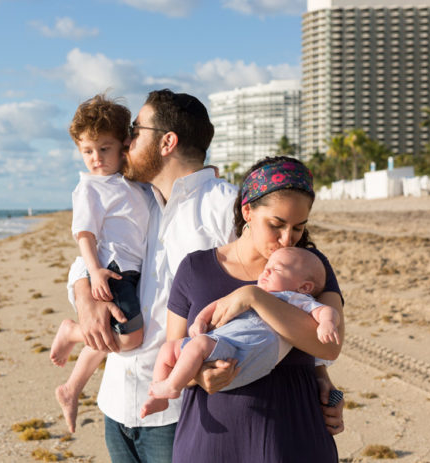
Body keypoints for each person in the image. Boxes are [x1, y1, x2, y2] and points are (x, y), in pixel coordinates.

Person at [69, 90, 345, 462]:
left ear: (167, 142)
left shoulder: (225, 208)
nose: (127, 140)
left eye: (136, 129)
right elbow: (98, 254)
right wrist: (84, 296)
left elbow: (286, 289)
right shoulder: (137, 197)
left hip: (181, 412)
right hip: (117, 399)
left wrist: (318, 376)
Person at [167, 157, 345, 462]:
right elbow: (171, 352)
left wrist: (254, 297)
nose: (287, 239)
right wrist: (197, 375)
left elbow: (328, 346)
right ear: (247, 211)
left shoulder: (309, 269)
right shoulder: (195, 268)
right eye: (276, 225)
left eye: (298, 228)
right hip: (211, 441)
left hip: (293, 439)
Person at [140, 246, 340, 418]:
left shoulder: (295, 299)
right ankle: (158, 396)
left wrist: (327, 324)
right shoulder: (253, 290)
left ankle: (173, 387)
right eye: (267, 267)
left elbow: (326, 311)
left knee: (198, 345)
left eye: (276, 269)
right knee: (168, 349)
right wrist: (200, 321)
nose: (265, 272)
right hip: (221, 343)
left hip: (243, 353)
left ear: (304, 287)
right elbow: (217, 305)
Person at [50, 94, 149, 433]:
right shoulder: (90, 188)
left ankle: (71, 388)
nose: (95, 159)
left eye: (103, 149)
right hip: (112, 268)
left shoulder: (132, 183)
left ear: (124, 144)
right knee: (129, 339)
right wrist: (93, 273)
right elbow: (85, 234)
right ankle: (72, 331)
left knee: (111, 335)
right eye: (87, 151)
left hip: (133, 270)